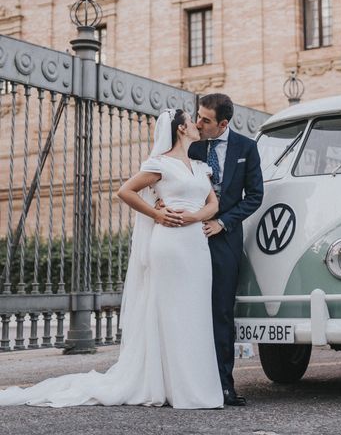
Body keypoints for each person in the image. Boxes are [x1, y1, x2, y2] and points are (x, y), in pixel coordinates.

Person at [0, 109, 224, 409]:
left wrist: (195, 217)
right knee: (171, 312)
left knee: (195, 313)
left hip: (196, 244)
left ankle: (194, 385)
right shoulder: (160, 164)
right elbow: (125, 191)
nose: (199, 125)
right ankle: (175, 387)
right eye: (192, 122)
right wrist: (158, 214)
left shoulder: (200, 167)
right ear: (181, 128)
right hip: (169, 245)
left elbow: (213, 203)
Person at [188, 93, 264, 406]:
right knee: (189, 309)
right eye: (198, 116)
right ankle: (187, 381)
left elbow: (255, 196)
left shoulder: (247, 148)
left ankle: (223, 386)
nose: (198, 123)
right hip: (189, 238)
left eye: (205, 120)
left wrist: (224, 223)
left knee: (221, 312)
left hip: (225, 240)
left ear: (223, 123)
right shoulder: (191, 146)